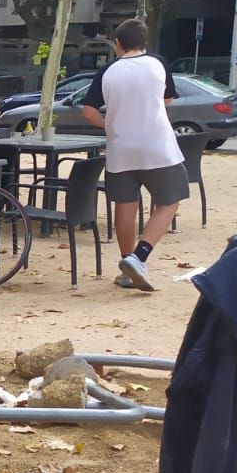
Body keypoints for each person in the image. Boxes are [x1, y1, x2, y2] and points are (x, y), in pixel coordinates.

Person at [80, 17, 185, 292]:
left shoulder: (107, 71)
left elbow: (89, 111)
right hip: (158, 144)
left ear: (117, 43)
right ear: (145, 43)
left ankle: (128, 266)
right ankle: (140, 256)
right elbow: (167, 99)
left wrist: (111, 124)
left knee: (125, 205)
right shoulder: (158, 64)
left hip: (120, 146)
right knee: (169, 200)